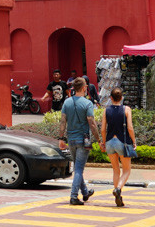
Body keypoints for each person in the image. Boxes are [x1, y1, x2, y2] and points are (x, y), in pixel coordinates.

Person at [58, 77, 100, 206]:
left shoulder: (67, 102)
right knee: (79, 170)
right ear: (83, 88)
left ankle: (85, 192)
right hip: (83, 140)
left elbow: (63, 121)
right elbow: (92, 123)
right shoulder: (87, 104)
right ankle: (74, 196)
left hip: (71, 139)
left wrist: (61, 138)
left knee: (77, 167)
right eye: (86, 87)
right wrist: (98, 139)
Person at [100, 87, 136, 207]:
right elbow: (130, 128)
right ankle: (118, 189)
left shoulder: (106, 110)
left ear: (111, 98)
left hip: (110, 141)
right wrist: (134, 142)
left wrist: (104, 143)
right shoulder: (127, 109)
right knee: (127, 170)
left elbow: (103, 129)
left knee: (116, 170)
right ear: (121, 98)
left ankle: (118, 195)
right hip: (122, 142)